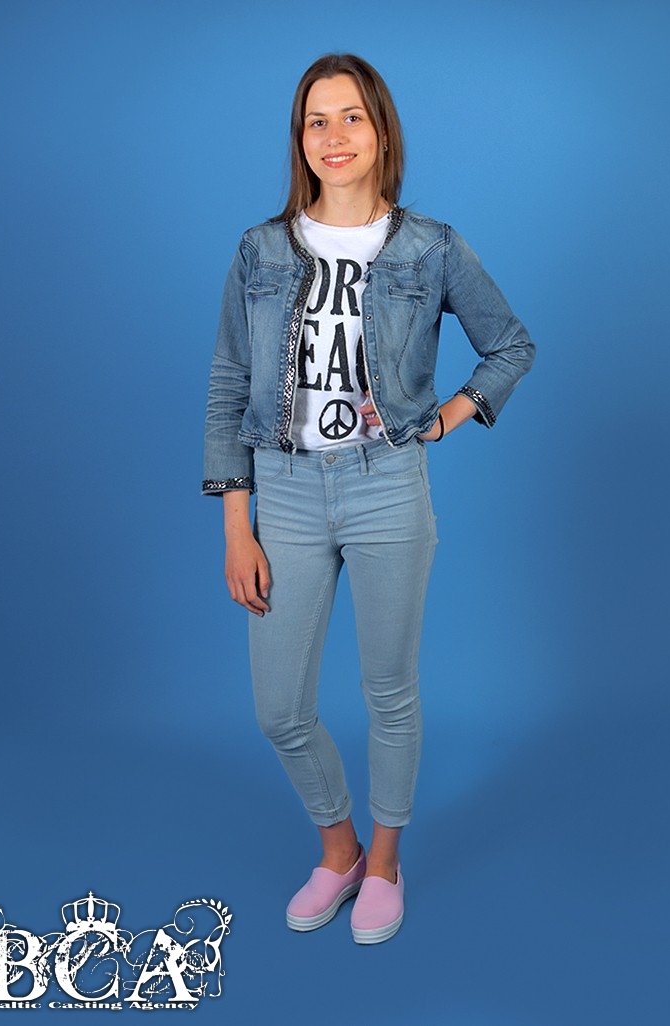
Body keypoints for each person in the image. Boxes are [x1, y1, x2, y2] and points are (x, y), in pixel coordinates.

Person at [203, 53, 535, 944]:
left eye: (352, 116)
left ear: (381, 130)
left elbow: (509, 345)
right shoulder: (261, 249)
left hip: (387, 484)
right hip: (284, 490)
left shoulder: (430, 246)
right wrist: (237, 523)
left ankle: (384, 862)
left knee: (390, 691)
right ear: (300, 140)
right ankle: (339, 848)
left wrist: (445, 420)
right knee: (280, 708)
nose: (335, 136)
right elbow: (229, 382)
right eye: (317, 121)